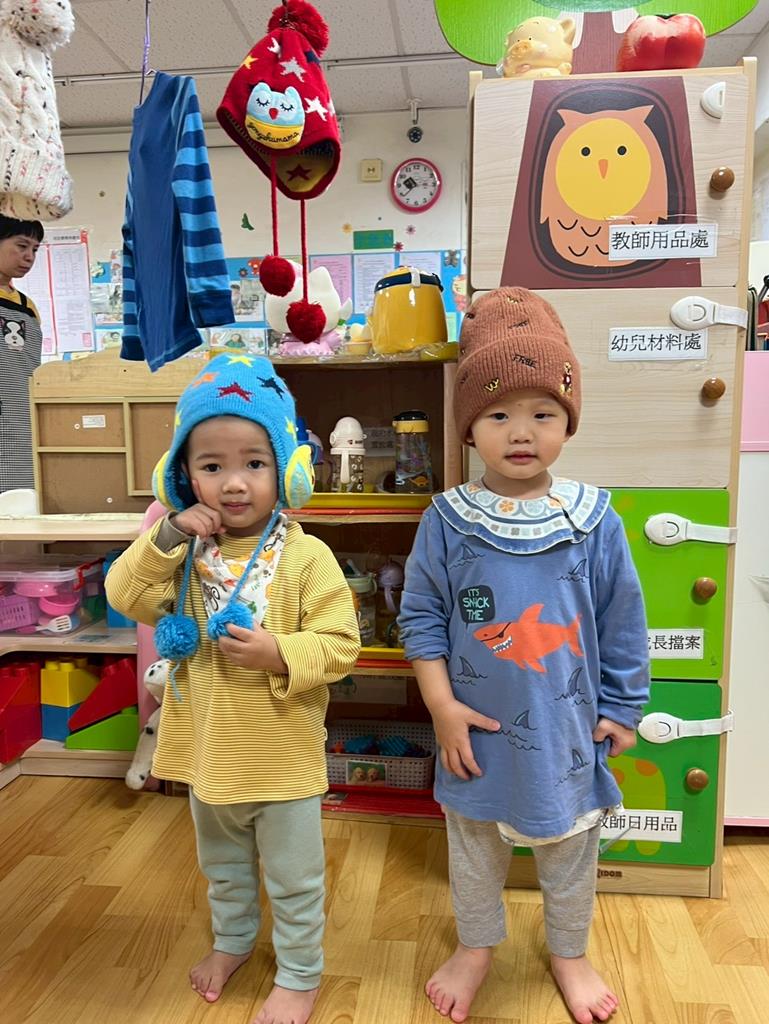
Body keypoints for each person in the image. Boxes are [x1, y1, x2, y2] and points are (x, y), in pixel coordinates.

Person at [398, 288, 649, 1024]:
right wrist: (441, 706)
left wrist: (623, 708)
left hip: (569, 732)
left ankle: (569, 952)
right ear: (468, 426)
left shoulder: (595, 520)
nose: (520, 432)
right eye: (498, 414)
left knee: (570, 852)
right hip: (473, 732)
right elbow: (421, 618)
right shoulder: (446, 520)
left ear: (567, 422)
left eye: (543, 414)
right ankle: (475, 947)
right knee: (474, 848)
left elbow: (623, 621)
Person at [106, 353, 360, 1024]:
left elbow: (341, 645)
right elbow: (123, 594)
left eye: (254, 462)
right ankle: (233, 942)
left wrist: (279, 652)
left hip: (282, 761)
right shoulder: (183, 553)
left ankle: (300, 975)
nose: (235, 483)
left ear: (287, 472)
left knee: (295, 880)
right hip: (208, 755)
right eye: (212, 466)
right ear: (184, 477)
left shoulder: (307, 557)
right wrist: (164, 532)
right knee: (223, 869)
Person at [0, 215, 44, 492]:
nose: (29, 257)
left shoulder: (28, 307)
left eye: (35, 250)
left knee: (21, 497)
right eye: (21, 246)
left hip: (22, 417)